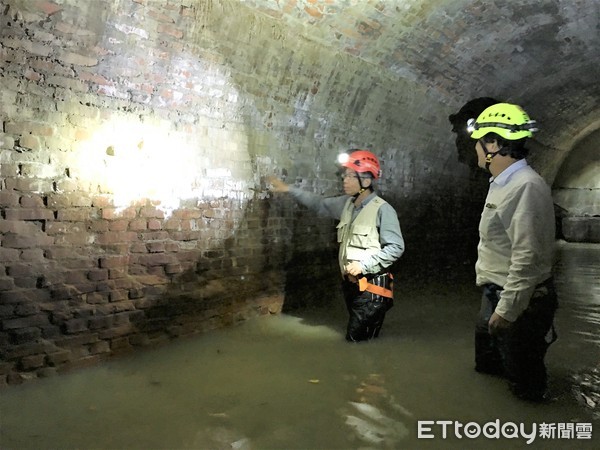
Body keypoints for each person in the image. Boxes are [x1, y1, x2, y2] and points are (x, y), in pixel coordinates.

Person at [467, 103, 558, 401]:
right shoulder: (502, 183)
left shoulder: (526, 186)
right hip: (496, 293)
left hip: (520, 302)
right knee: (488, 369)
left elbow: (528, 256)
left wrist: (507, 310)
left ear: (493, 143)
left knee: (524, 386)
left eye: (479, 143)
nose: (476, 151)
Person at [268, 149, 405, 342]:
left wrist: (363, 266)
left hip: (372, 288)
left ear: (366, 181)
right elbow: (319, 204)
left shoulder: (383, 210)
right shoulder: (347, 204)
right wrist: (290, 190)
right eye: (344, 176)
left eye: (350, 176)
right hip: (351, 286)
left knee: (357, 342)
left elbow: (396, 247)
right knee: (365, 337)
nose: (344, 180)